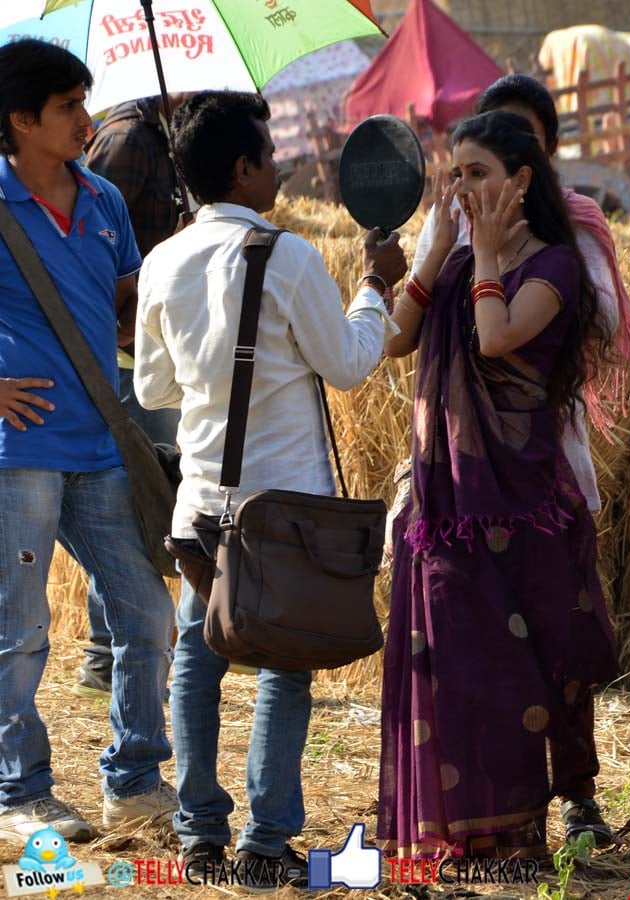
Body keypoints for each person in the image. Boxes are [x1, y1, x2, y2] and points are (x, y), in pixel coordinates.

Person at [134, 90, 406, 888]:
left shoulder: (163, 260)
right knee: (284, 667)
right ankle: (264, 840)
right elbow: (353, 364)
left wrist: (212, 369)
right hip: (282, 510)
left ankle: (198, 834)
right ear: (245, 168)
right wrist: (374, 285)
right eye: (272, 156)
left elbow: (153, 389)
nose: (282, 169)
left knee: (196, 659)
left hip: (200, 505)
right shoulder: (286, 257)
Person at [377, 110, 619, 860]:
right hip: (448, 508)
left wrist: (480, 252)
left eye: (477, 173)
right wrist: (437, 253)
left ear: (520, 181)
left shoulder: (555, 265)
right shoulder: (454, 259)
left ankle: (522, 841)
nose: (462, 186)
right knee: (460, 674)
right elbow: (391, 340)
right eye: (455, 174)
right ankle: (462, 839)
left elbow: (496, 336)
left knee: (525, 677)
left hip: (524, 506)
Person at [0, 39, 176, 842]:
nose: (87, 119)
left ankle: (135, 782)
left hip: (105, 446)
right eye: (69, 107)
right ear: (21, 121)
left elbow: (129, 305)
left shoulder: (103, 198)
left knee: (147, 618)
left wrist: (195, 249)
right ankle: (21, 793)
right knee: (20, 630)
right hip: (20, 453)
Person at [413, 74, 630, 512]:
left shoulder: (566, 237)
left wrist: (518, 278)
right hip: (457, 449)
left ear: (542, 155)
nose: (469, 184)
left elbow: (602, 320)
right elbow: (405, 334)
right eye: (466, 170)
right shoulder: (449, 225)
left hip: (539, 443)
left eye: (523, 139)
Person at [75, 93, 189, 702]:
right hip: (124, 349)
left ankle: (123, 646)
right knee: (133, 496)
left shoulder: (168, 132)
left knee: (151, 492)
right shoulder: (125, 140)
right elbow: (96, 249)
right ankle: (102, 651)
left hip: (147, 342)